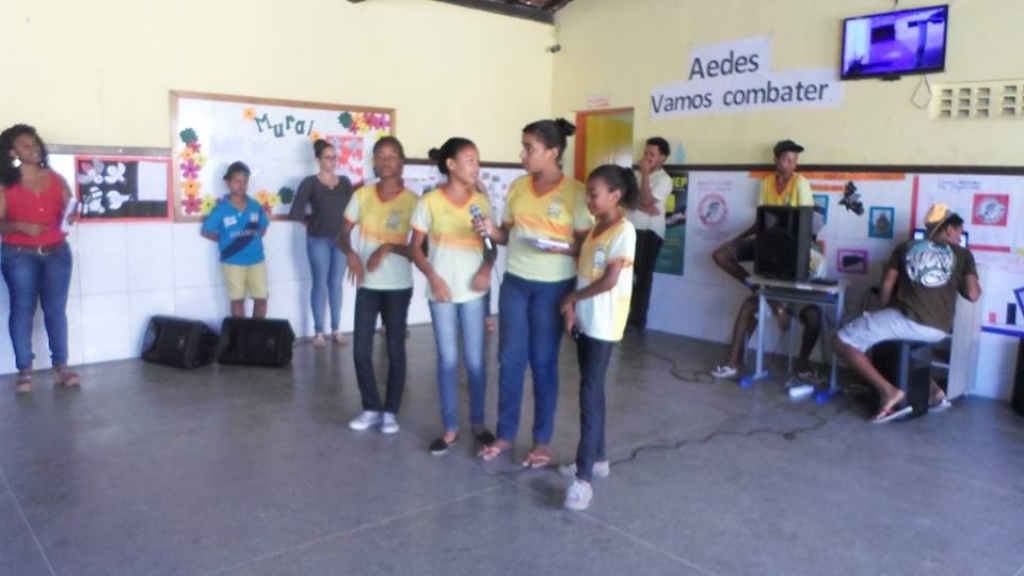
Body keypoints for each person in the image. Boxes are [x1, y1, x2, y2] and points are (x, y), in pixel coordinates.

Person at [474, 118, 593, 466]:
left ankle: (542, 441)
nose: (522, 154)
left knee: (543, 362)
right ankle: (505, 434)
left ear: (552, 152)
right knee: (510, 361)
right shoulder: (518, 187)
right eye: (523, 147)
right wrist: (489, 229)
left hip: (553, 288)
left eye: (530, 148)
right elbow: (505, 235)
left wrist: (563, 247)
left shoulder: (577, 193)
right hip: (515, 283)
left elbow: (585, 245)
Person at [834, 204, 981, 423]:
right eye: (959, 231)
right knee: (896, 342)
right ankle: (935, 393)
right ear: (948, 229)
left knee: (841, 341)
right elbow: (972, 294)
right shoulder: (963, 254)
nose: (960, 236)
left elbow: (886, 285)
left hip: (910, 319)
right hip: (940, 329)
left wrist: (884, 310)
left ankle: (887, 391)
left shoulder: (906, 247)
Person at [411, 137, 497, 455]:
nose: (476, 166)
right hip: (442, 293)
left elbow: (491, 247)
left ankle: (478, 423)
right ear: (451, 164)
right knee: (448, 360)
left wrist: (486, 268)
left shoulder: (482, 202)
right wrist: (434, 278)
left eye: (478, 160)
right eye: (470, 160)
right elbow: (415, 248)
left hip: (474, 292)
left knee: (475, 361)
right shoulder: (429, 202)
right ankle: (450, 429)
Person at [558, 164, 637, 511]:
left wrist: (570, 299)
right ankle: (598, 458)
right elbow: (583, 273)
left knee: (589, 397)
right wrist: (573, 309)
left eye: (593, 193)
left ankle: (583, 480)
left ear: (615, 196)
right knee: (592, 390)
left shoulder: (624, 230)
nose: (588, 199)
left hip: (604, 324)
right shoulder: (594, 228)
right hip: (586, 321)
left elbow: (609, 280)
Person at [338, 137, 417, 435]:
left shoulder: (413, 202)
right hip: (368, 285)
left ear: (401, 162)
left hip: (398, 286)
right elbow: (342, 234)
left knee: (395, 349)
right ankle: (371, 407)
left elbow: (419, 250)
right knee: (361, 349)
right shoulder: (362, 195)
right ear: (374, 161)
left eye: (391, 156)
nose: (385, 161)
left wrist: (389, 247)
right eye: (380, 156)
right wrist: (350, 253)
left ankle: (391, 412)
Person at [0, 124, 81, 393]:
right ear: (12, 152)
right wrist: (20, 226)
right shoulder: (5, 184)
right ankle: (24, 370)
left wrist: (71, 215)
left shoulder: (55, 178)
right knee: (22, 311)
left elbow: (70, 208)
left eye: (34, 143)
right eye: (25, 145)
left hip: (57, 253)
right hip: (19, 256)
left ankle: (61, 366)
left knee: (55, 310)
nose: (33, 148)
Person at [712, 139, 813, 288]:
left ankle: (767, 296)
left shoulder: (800, 183)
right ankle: (755, 288)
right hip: (767, 244)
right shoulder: (767, 182)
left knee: (776, 279)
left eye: (794, 160)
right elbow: (761, 221)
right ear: (776, 160)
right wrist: (736, 240)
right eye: (786, 159)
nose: (791, 164)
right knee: (721, 255)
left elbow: (806, 222)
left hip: (791, 248)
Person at [289, 139, 354, 346]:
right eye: (328, 158)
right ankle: (318, 331)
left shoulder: (345, 182)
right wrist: (312, 223)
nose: (333, 161)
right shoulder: (310, 182)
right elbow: (295, 211)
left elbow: (353, 210)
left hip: (341, 240)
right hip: (318, 240)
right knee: (320, 283)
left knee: (336, 284)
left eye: (335, 157)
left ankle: (336, 329)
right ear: (318, 160)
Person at [201, 161, 270, 318]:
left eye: (245, 181)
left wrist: (250, 240)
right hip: (232, 260)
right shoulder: (221, 209)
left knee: (261, 299)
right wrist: (227, 241)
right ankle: (240, 333)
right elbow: (206, 231)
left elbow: (263, 227)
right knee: (237, 300)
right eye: (237, 181)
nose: (241, 185)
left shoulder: (255, 206)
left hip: (256, 259)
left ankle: (258, 331)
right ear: (228, 182)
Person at [626, 137, 672, 330]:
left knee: (643, 276)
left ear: (663, 158)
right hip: (629, 229)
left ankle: (637, 320)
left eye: (652, 154)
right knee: (625, 273)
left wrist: (644, 174)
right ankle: (625, 314)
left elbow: (645, 200)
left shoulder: (664, 179)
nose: (647, 157)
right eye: (646, 153)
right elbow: (626, 200)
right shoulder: (634, 175)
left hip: (649, 232)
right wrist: (643, 204)